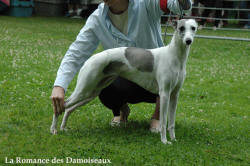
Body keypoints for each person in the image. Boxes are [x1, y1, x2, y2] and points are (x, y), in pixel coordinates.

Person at [51, 0, 192, 132]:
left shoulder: (147, 4)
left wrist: (183, 2)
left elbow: (177, 4)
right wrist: (59, 85)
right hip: (124, 80)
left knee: (166, 80)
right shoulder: (97, 19)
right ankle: (120, 112)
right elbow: (77, 52)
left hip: (156, 78)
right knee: (106, 87)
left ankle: (157, 116)